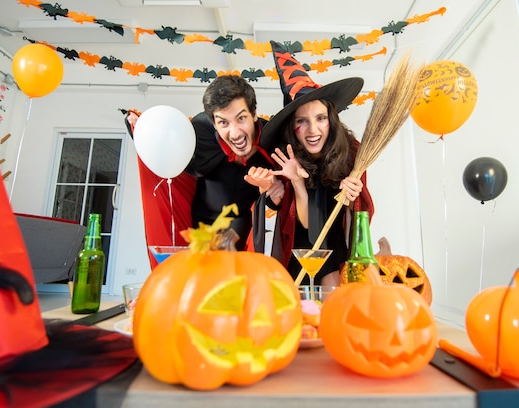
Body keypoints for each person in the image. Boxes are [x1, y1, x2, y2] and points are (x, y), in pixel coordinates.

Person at [125, 75, 283, 267]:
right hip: (202, 220)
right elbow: (173, 154)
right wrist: (144, 130)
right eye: (224, 122)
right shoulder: (200, 132)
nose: (235, 133)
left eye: (241, 118)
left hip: (245, 225)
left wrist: (271, 188)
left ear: (254, 114)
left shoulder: (274, 139)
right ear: (214, 123)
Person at [261, 41, 375, 287]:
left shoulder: (352, 152)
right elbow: (308, 224)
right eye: (302, 121)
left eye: (320, 118)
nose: (313, 130)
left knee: (333, 307)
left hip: (334, 252)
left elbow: (358, 219)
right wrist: (296, 182)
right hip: (297, 250)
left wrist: (353, 198)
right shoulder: (285, 155)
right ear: (292, 127)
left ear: (331, 119)